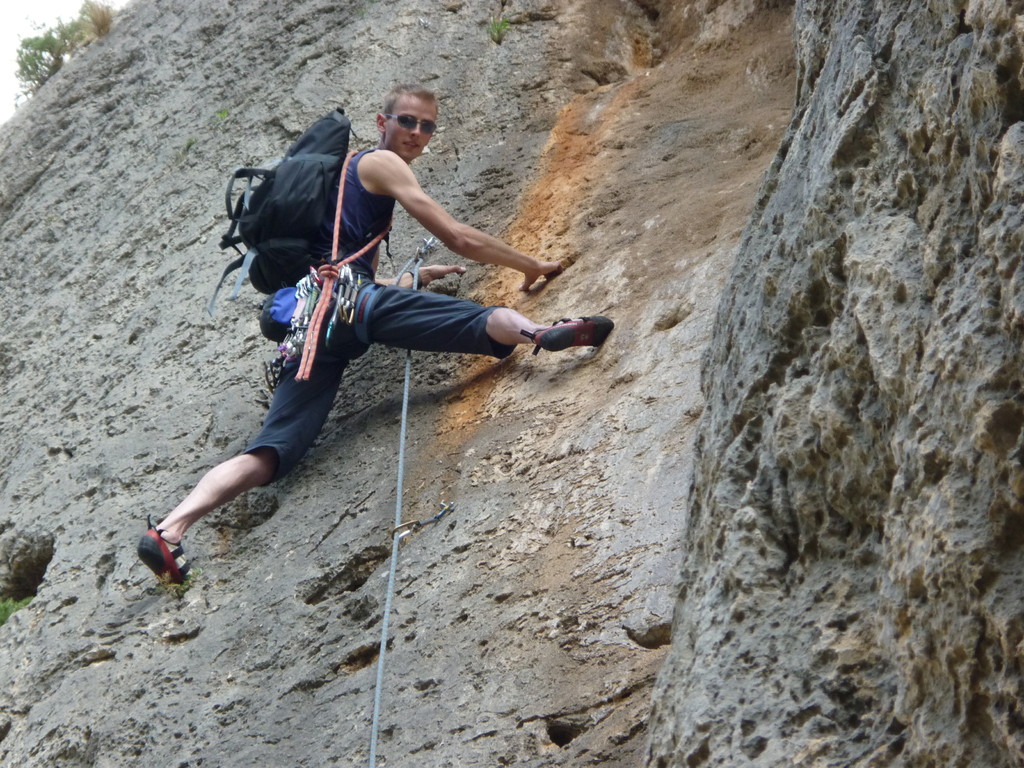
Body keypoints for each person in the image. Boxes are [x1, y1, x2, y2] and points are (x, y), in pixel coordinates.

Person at [138, 84, 613, 584]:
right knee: (472, 319)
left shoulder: (325, 189)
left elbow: (340, 268)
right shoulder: (380, 164)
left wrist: (410, 279)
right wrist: (529, 263)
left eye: (427, 126)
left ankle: (170, 531)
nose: (416, 133)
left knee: (272, 449)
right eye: (407, 121)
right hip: (350, 304)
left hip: (306, 325)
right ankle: (542, 332)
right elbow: (457, 236)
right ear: (381, 121)